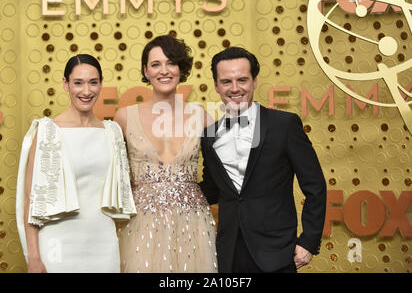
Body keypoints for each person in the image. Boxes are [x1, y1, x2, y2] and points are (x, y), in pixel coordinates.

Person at [199, 47, 327, 273]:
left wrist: (308, 241)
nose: (235, 88)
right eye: (226, 81)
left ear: (255, 81)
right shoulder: (209, 135)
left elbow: (315, 185)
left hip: (277, 252)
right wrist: (169, 190)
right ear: (216, 85)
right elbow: (212, 190)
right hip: (228, 254)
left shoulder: (284, 125)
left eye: (242, 80)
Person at [15, 54, 136, 273]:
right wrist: (33, 257)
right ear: (65, 84)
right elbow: (31, 201)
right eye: (78, 83)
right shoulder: (47, 131)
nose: (86, 91)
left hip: (104, 243)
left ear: (101, 84)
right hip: (57, 244)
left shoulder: (112, 133)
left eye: (93, 82)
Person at [114, 35, 217, 273]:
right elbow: (112, 176)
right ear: (145, 71)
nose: (164, 70)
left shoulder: (201, 116)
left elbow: (220, 174)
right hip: (141, 224)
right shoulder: (124, 117)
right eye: (156, 64)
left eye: (171, 63)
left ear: (181, 68)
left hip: (194, 223)